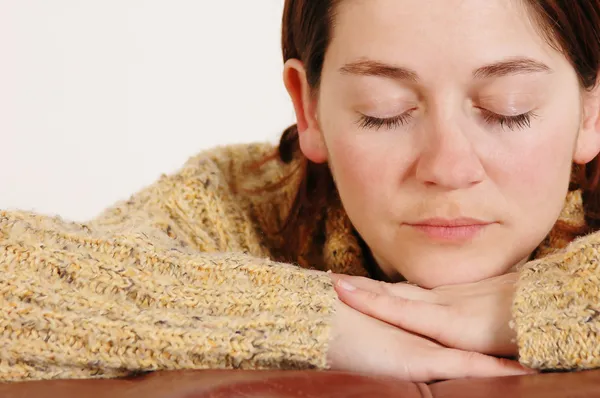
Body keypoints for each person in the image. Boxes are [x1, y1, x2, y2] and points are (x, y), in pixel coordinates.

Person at [1, 0, 599, 383]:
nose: (447, 166)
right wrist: (316, 321)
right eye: (384, 112)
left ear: (592, 110)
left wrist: (538, 306)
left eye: (507, 111)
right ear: (308, 105)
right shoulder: (238, 202)